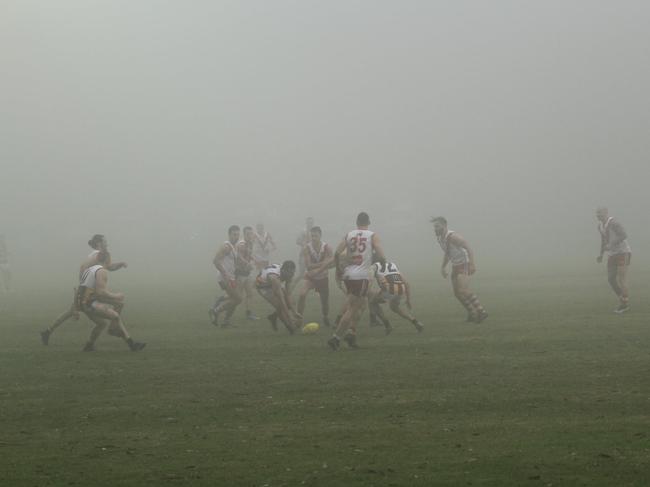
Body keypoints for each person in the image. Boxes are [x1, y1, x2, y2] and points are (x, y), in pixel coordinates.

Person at [41, 234, 128, 345]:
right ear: (99, 244)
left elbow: (109, 266)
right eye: (105, 241)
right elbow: (84, 268)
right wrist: (84, 285)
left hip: (88, 290)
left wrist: (120, 264)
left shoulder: (100, 255)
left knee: (71, 311)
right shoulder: (97, 255)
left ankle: (48, 332)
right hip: (88, 291)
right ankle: (115, 331)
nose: (107, 243)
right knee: (78, 311)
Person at [326, 212, 386, 350]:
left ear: (357, 223)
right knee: (353, 308)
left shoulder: (349, 234)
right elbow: (380, 253)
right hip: (362, 276)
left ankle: (351, 334)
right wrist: (384, 261)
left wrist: (339, 270)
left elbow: (336, 253)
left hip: (348, 275)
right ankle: (336, 338)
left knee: (363, 304)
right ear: (368, 222)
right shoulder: (372, 235)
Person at [75, 262, 145, 352]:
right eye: (109, 261)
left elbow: (93, 293)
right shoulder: (101, 271)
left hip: (83, 303)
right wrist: (116, 296)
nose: (111, 263)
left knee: (102, 324)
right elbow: (101, 292)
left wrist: (114, 302)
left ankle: (89, 345)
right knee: (115, 316)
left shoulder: (91, 269)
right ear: (105, 261)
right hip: (89, 303)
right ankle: (131, 344)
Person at [431, 217, 488, 323]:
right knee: (457, 293)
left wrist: (472, 264)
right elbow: (448, 253)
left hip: (464, 263)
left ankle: (481, 311)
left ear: (445, 226)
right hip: (455, 265)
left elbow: (468, 248)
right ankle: (472, 313)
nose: (435, 229)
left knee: (463, 290)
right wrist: (443, 267)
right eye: (434, 227)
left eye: (437, 226)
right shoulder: (440, 239)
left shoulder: (453, 237)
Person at [368, 260, 423, 334]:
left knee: (372, 301)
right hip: (401, 289)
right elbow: (406, 283)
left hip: (390, 289)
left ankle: (386, 325)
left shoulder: (374, 267)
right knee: (394, 307)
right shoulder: (392, 265)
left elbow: (377, 283)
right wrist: (408, 299)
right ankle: (415, 322)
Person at [596, 207, 632, 313]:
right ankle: (623, 299)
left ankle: (624, 305)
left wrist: (611, 244)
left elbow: (623, 235)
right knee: (611, 279)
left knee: (622, 278)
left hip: (623, 252)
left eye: (600, 213)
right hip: (612, 254)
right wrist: (601, 254)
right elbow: (603, 240)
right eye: (597, 214)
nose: (598, 215)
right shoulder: (600, 226)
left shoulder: (613, 223)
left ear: (606, 213)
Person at [297, 226, 333, 327]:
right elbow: (308, 266)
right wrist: (324, 264)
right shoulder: (306, 248)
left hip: (323, 278)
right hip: (311, 277)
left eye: (315, 236)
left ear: (320, 236)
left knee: (324, 303)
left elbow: (331, 264)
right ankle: (299, 318)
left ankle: (325, 316)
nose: (313, 238)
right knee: (302, 294)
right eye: (312, 236)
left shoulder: (327, 247)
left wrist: (319, 267)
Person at [210, 225, 242, 327]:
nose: (236, 237)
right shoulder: (226, 247)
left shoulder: (234, 247)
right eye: (234, 234)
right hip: (224, 278)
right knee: (238, 299)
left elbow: (233, 262)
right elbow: (215, 261)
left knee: (234, 300)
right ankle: (215, 311)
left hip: (231, 277)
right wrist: (225, 274)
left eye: (237, 234)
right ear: (229, 235)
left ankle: (226, 321)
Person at [256, 261, 301, 334]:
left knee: (290, 303)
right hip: (263, 286)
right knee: (280, 305)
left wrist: (294, 312)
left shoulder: (287, 272)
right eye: (289, 274)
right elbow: (282, 300)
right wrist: (290, 318)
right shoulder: (274, 278)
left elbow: (288, 294)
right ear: (284, 271)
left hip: (273, 282)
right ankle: (289, 326)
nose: (291, 276)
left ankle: (273, 317)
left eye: (292, 273)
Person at [235, 226, 259, 320]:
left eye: (251, 233)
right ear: (244, 234)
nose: (250, 235)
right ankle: (220, 300)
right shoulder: (241, 244)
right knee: (237, 297)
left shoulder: (251, 243)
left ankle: (249, 314)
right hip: (239, 273)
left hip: (247, 273)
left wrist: (254, 260)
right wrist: (248, 264)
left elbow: (248, 255)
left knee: (250, 293)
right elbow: (239, 257)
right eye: (248, 233)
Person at [293, 217, 315, 290]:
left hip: (312, 254)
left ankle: (315, 289)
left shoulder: (315, 231)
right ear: (306, 223)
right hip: (304, 254)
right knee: (301, 273)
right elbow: (297, 241)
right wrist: (303, 244)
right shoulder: (303, 231)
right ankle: (292, 285)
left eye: (311, 222)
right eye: (309, 222)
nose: (310, 224)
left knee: (313, 272)